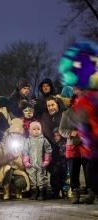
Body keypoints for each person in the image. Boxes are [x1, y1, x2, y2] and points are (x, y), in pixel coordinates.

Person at [58, 40, 98, 205]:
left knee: (90, 172)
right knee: (76, 173)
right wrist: (72, 133)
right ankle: (76, 192)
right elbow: (62, 129)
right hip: (75, 146)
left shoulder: (91, 101)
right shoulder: (68, 112)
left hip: (89, 146)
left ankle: (91, 193)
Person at [0, 118, 30, 200]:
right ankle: (6, 190)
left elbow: (27, 163)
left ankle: (18, 190)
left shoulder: (25, 143)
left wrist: (17, 158)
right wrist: (8, 155)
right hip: (5, 168)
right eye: (13, 133)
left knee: (21, 179)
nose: (15, 135)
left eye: (18, 133)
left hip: (19, 169)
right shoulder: (3, 142)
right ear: (10, 132)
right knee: (7, 171)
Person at [22, 121, 52, 200]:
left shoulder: (44, 140)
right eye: (34, 129)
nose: (36, 131)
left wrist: (46, 160)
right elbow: (25, 151)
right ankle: (34, 193)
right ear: (30, 130)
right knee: (32, 178)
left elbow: (48, 150)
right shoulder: (28, 140)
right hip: (31, 165)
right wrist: (26, 162)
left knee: (41, 178)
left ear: (41, 130)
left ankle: (41, 194)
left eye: (38, 129)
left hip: (41, 164)